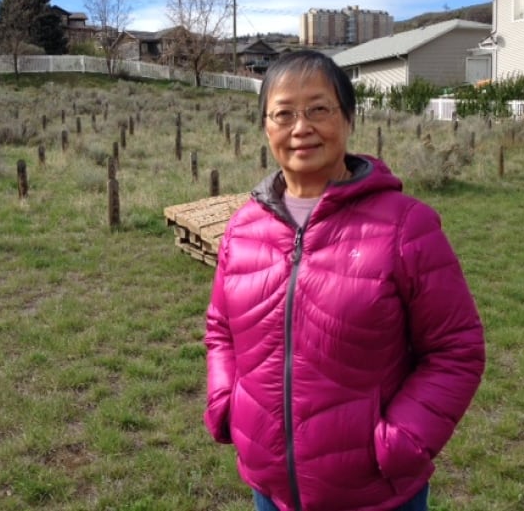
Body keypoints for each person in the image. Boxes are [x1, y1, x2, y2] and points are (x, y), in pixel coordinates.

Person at [203, 50, 485, 511]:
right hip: (271, 489)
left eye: (318, 109)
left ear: (348, 119)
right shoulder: (243, 228)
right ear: (265, 127)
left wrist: (402, 440)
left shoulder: (406, 226)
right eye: (284, 114)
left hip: (376, 491)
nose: (301, 127)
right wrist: (225, 403)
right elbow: (220, 330)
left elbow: (456, 348)